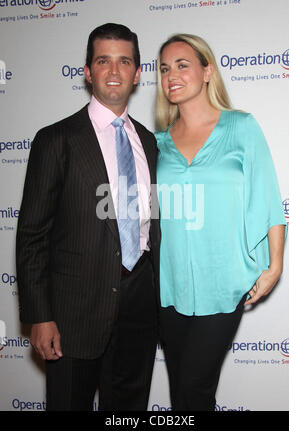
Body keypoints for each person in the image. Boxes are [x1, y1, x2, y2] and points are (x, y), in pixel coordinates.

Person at [16, 23, 160, 411]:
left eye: (124, 61)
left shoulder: (149, 141)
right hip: (73, 313)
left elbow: (152, 223)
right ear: (87, 70)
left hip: (139, 307)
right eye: (103, 61)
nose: (114, 71)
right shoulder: (56, 139)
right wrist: (39, 317)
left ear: (137, 73)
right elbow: (32, 236)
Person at [154, 33, 286, 411]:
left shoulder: (241, 127)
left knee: (192, 391)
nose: (171, 75)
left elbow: (268, 197)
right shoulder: (157, 143)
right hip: (168, 287)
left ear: (207, 70)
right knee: (183, 392)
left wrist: (274, 266)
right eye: (164, 68)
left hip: (225, 281)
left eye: (182, 65)